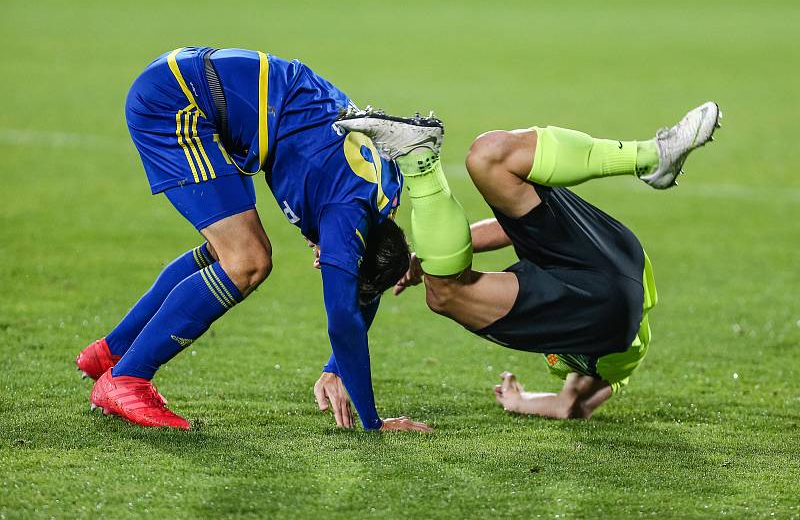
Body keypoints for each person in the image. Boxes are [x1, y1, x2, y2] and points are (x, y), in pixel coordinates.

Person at [75, 47, 431, 432]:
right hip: (179, 100)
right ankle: (128, 378)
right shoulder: (344, 222)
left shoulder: (384, 196)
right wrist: (373, 422)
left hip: (214, 91)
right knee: (247, 260)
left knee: (227, 250)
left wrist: (336, 367)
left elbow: (363, 287)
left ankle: (112, 352)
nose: (321, 265)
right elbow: (343, 315)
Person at [334, 102, 721, 419]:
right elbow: (572, 405)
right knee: (485, 168)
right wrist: (431, 257)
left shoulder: (602, 355)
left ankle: (647, 154)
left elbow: (573, 404)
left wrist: (523, 401)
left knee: (490, 170)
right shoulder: (603, 353)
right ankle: (653, 155)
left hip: (621, 265)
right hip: (608, 283)